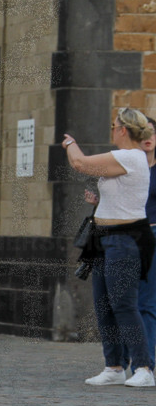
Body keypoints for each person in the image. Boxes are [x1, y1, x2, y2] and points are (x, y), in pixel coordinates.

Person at [64, 107, 156, 386]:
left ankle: (144, 367)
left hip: (125, 239)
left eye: (114, 125)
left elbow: (80, 164)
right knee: (104, 305)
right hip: (104, 238)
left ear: (123, 130)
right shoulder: (123, 159)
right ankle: (114, 366)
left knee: (124, 305)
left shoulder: (131, 156)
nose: (113, 129)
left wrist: (70, 144)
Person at [136, 116, 156, 365]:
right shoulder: (129, 168)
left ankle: (147, 362)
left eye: (152, 132)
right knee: (129, 303)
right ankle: (121, 363)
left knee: (147, 302)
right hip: (130, 238)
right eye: (143, 133)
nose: (149, 138)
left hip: (153, 236)